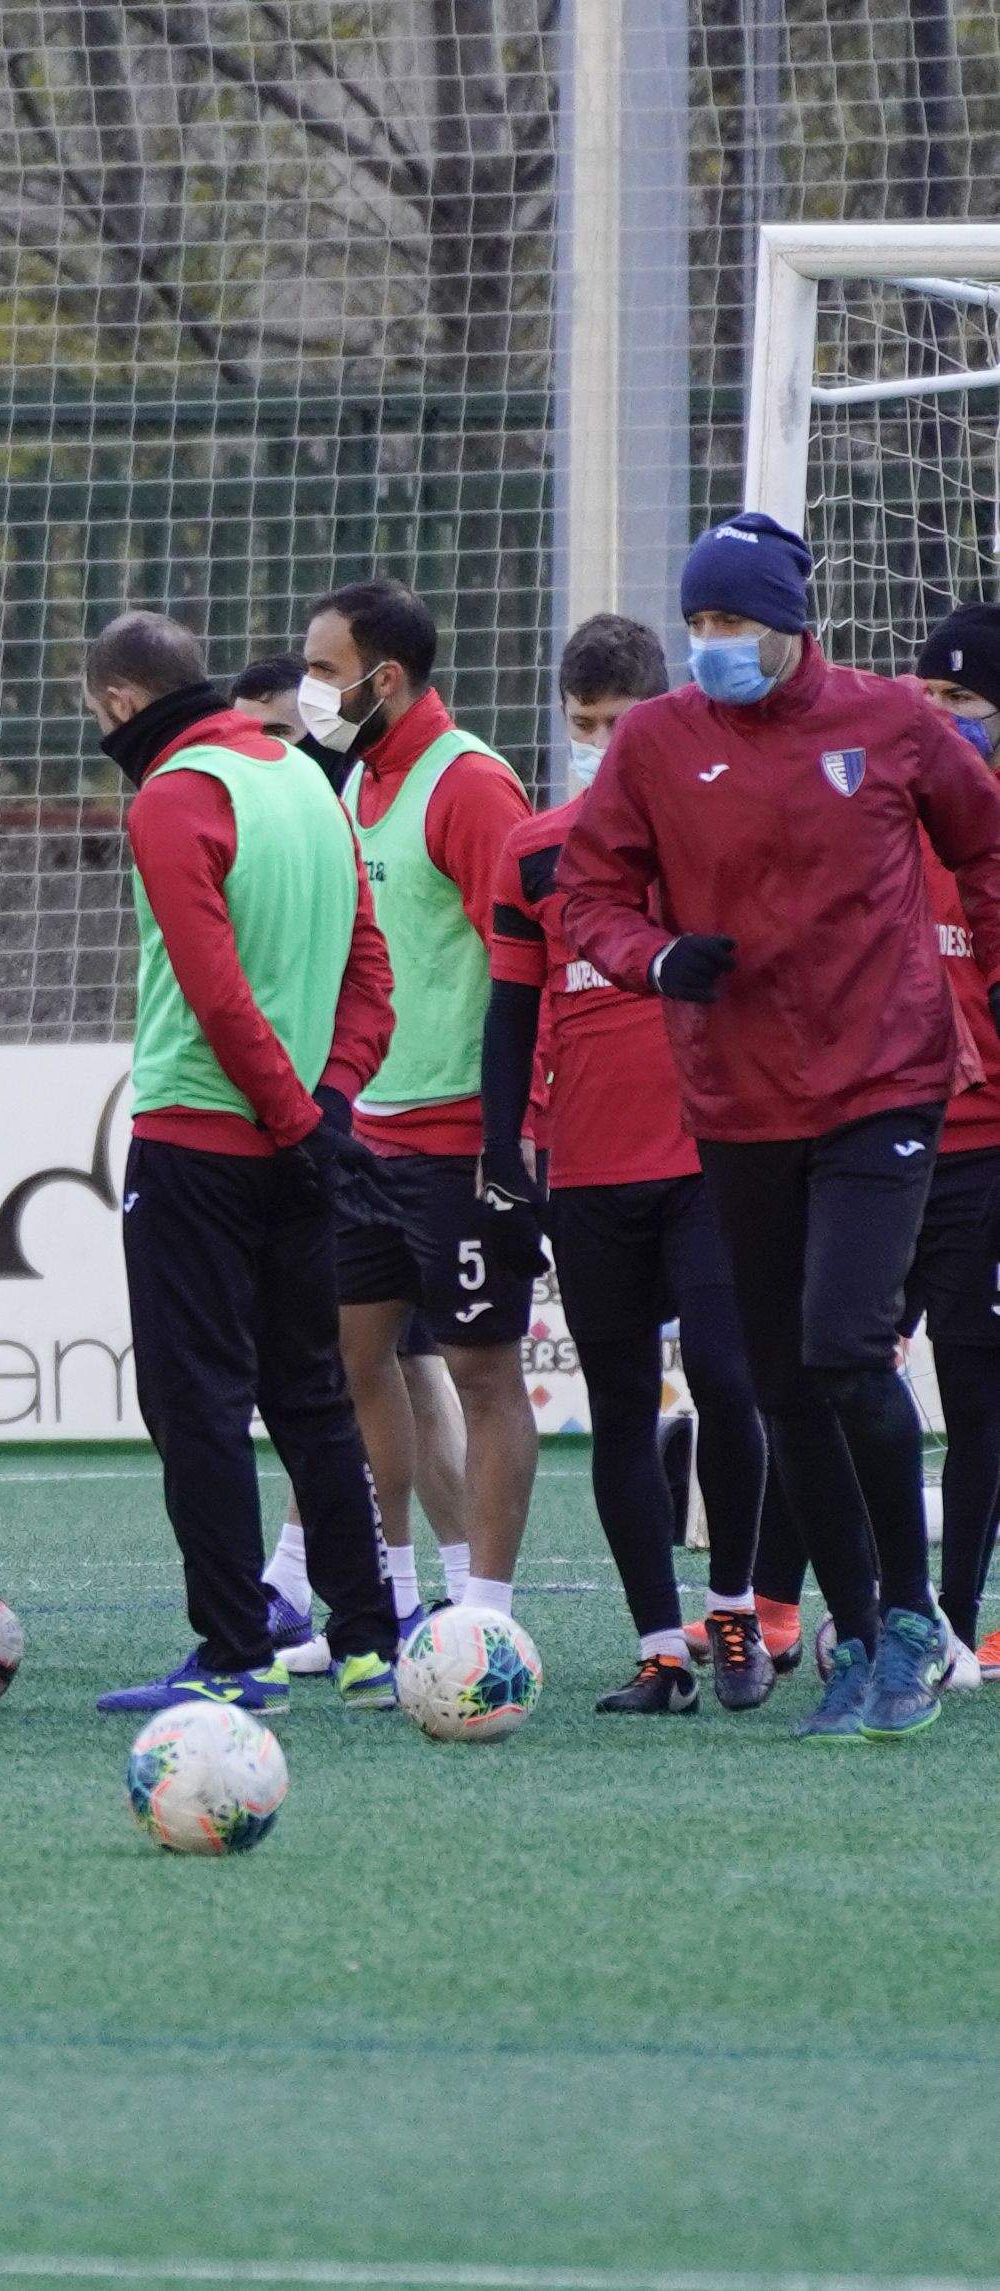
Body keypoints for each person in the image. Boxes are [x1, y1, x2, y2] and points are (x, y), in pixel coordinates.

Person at [561, 510, 1000, 1741]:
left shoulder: (892, 723)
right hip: (736, 1096)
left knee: (843, 1341)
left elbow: (986, 839)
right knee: (779, 1379)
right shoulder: (653, 742)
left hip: (886, 1081)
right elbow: (588, 891)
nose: (711, 644)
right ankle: (859, 1633)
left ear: (789, 626)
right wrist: (655, 958)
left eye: (732, 623)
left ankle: (913, 1618)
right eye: (696, 623)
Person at [76, 612, 403, 1713]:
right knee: (310, 1391)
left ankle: (232, 1653)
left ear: (119, 703)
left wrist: (297, 1115)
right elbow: (371, 967)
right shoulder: (307, 782)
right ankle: (365, 1639)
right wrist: (329, 1105)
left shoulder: (173, 795)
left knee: (196, 1402)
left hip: (199, 1140)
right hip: (298, 1143)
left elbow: (213, 991)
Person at [482, 612, 778, 1713]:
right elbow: (510, 1014)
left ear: (661, 716)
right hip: (588, 1166)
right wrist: (498, 1160)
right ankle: (660, 1646)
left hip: (710, 1152)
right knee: (615, 1407)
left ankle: (736, 1612)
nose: (600, 742)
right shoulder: (534, 850)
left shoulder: (713, 833)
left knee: (728, 1374)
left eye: (617, 722)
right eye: (582, 723)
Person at [302, 578, 541, 1624]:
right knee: (355, 1359)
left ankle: (483, 1608)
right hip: (368, 1134)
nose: (310, 689)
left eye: (321, 669)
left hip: (458, 1138)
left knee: (481, 1368)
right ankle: (395, 1594)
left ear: (381, 678)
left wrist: (513, 1128)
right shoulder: (354, 784)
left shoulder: (469, 784)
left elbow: (527, 956)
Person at [228, 649, 469, 1660]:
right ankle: (395, 1590)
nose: (262, 757)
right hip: (357, 1115)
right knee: (372, 1357)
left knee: (422, 1360)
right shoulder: (318, 806)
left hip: (413, 1115)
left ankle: (453, 1592)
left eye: (279, 735)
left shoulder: (389, 793)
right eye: (250, 738)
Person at [909, 598, 1000, 1690]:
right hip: (877, 1144)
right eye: (925, 697)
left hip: (983, 1153)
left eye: (961, 701)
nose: (936, 719)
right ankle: (797, 1607)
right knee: (828, 1364)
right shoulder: (883, 820)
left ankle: (958, 1613)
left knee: (976, 1396)